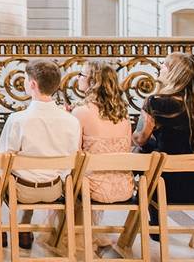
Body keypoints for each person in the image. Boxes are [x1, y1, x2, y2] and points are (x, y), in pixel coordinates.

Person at [0, 59, 81, 250]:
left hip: (20, 191)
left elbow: (4, 158)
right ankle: (23, 228)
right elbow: (71, 158)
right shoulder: (72, 121)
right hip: (54, 189)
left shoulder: (18, 120)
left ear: (32, 84)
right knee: (29, 170)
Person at [132, 52, 194, 235]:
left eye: (164, 65)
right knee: (158, 150)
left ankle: (144, 211)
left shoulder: (156, 102)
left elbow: (139, 138)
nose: (160, 67)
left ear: (173, 73)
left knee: (145, 149)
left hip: (166, 187)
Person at [69, 61, 133, 251]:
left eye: (81, 74)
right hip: (123, 187)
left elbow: (74, 153)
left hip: (92, 189)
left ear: (92, 82)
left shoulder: (81, 112)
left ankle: (73, 231)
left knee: (66, 171)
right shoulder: (123, 114)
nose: (78, 77)